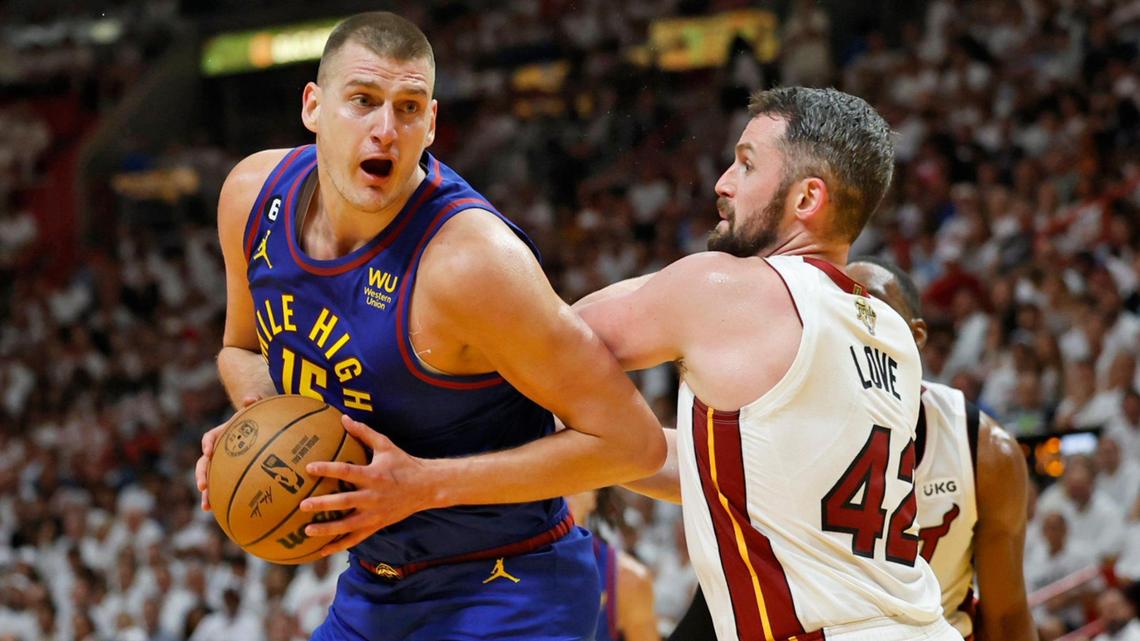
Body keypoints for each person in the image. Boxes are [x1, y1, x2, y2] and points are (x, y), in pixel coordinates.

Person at [194, 12, 665, 640]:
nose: (385, 129)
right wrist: (256, 424)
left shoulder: (472, 263)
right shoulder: (252, 197)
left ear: (432, 124)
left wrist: (422, 485)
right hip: (377, 584)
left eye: (409, 108)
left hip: (512, 585)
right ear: (313, 106)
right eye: (362, 101)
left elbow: (633, 444)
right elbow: (240, 348)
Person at [574, 86, 957, 641]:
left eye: (746, 164)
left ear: (806, 200)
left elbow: (554, 342)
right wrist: (612, 448)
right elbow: (740, 473)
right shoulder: (891, 331)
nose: (722, 183)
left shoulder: (729, 288)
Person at [846, 257, 1037, 641]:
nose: (859, 325)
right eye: (842, 314)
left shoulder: (985, 451)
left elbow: (1006, 616)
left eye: (876, 310)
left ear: (918, 336)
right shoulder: (788, 428)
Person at [566, 489, 659, 641]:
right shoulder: (515, 563)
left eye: (573, 475)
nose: (563, 490)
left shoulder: (628, 579)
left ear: (595, 495)